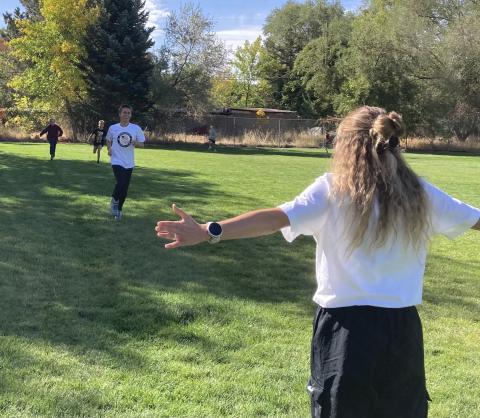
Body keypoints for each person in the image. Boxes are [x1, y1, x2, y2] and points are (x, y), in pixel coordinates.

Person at [154, 106, 480, 418]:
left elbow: (275, 219)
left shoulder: (333, 190)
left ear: (347, 145)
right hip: (403, 335)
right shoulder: (420, 193)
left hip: (346, 336)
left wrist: (209, 231)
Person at [106, 104, 145, 221]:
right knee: (121, 182)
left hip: (129, 162)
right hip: (116, 160)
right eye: (124, 112)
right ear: (120, 114)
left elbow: (142, 144)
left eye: (129, 113)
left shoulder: (135, 128)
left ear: (131, 115)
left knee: (124, 188)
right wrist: (109, 148)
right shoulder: (113, 128)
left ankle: (119, 210)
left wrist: (135, 142)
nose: (126, 114)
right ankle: (114, 200)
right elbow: (108, 139)